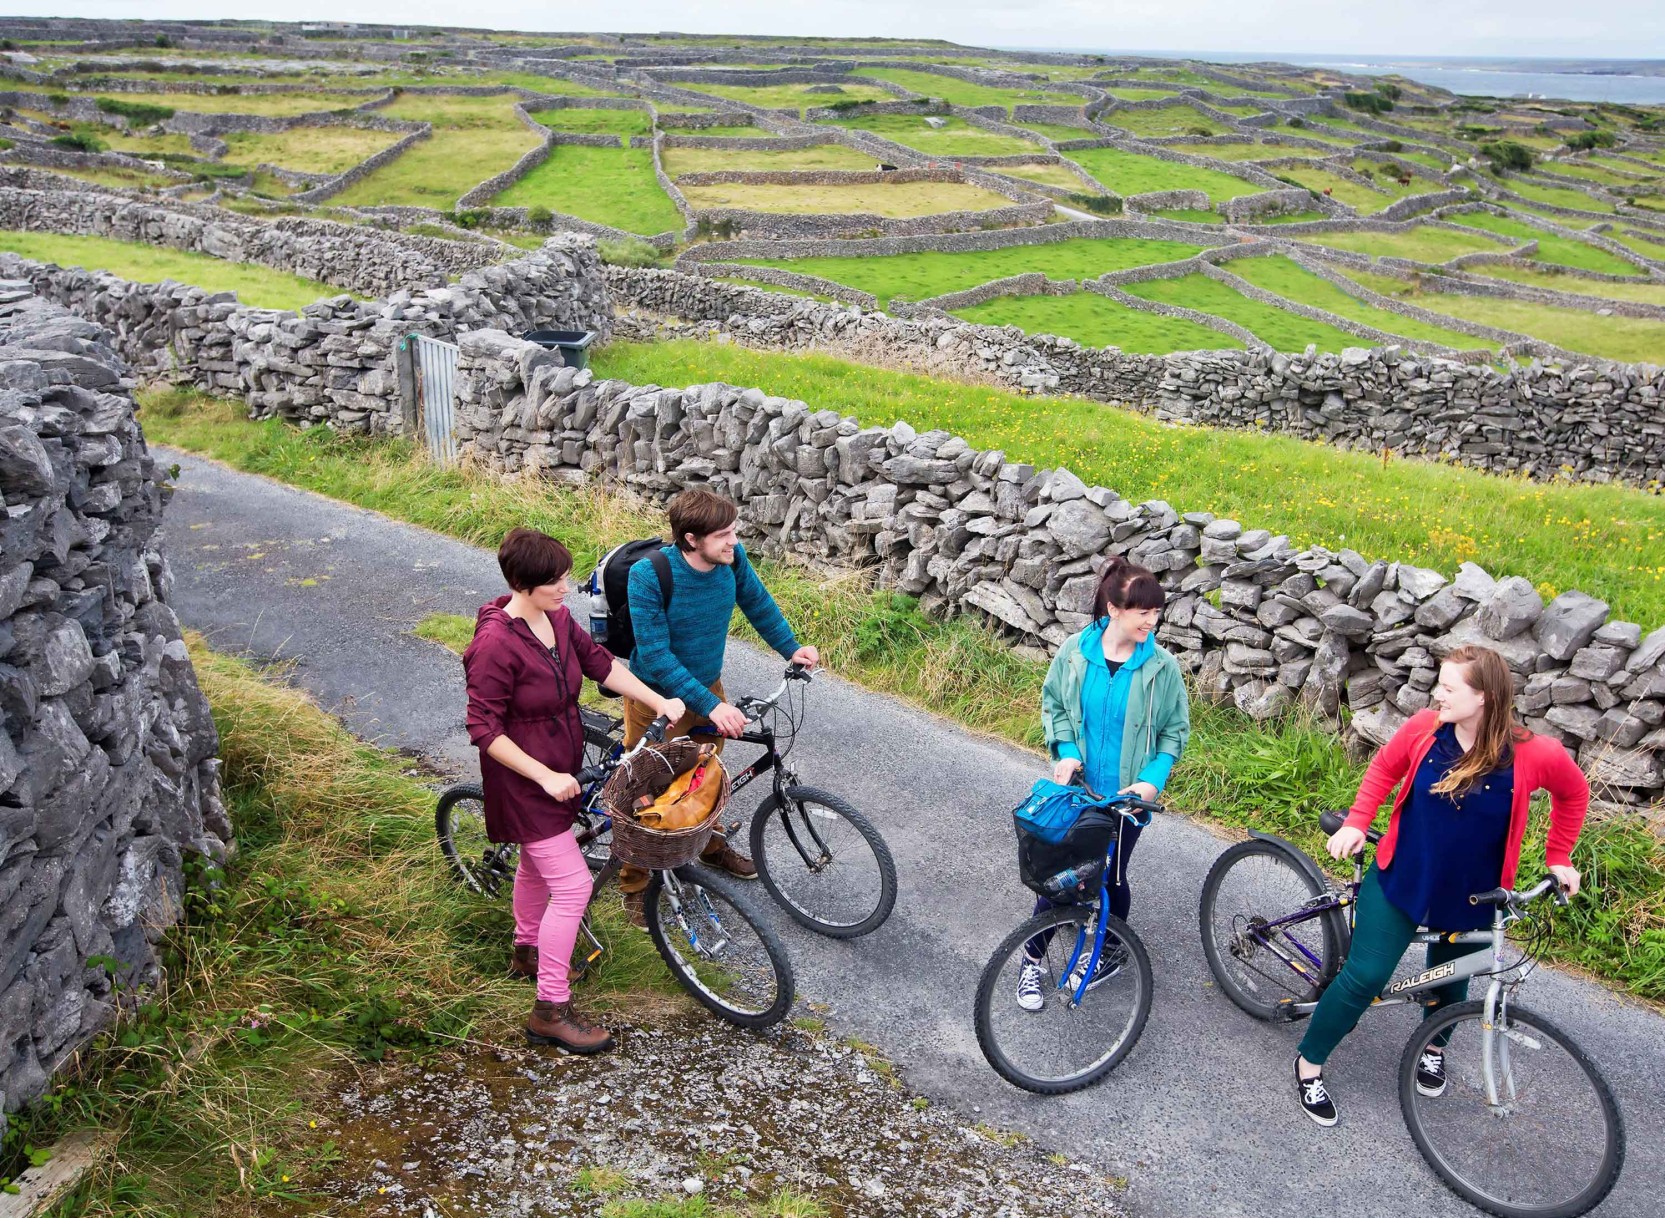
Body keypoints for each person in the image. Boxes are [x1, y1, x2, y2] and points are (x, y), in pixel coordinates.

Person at [1292, 643, 1589, 1127]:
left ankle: (1433, 1045)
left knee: (1451, 979)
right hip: (1403, 877)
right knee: (1365, 977)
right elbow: (1385, 767)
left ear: (1485, 698)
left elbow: (1574, 792)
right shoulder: (1425, 730)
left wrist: (1560, 858)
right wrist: (1357, 821)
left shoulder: (1534, 755)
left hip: (1473, 891)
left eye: (1449, 688)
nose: (1438, 695)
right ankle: (1309, 1063)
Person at [464, 527, 685, 1053]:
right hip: (524, 780)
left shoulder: (558, 620)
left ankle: (526, 951)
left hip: (562, 770)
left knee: (532, 867)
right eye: (556, 581)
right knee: (572, 887)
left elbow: (601, 665)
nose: (567, 588)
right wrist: (542, 776)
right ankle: (550, 1010)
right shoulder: (494, 645)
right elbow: (483, 729)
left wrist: (657, 700)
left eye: (566, 577)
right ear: (522, 583)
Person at [615, 488, 820, 926]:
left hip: (706, 686)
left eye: (734, 532)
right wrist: (711, 706)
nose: (734, 541)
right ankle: (634, 885)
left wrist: (791, 648)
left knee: (705, 776)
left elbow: (757, 603)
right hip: (655, 698)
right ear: (692, 539)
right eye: (724, 535)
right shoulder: (649, 575)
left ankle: (705, 846)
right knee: (644, 794)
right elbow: (655, 655)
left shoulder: (732, 559)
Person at [1020, 556, 1190, 1011]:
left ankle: (1108, 952)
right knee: (1063, 878)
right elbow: (1054, 704)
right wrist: (1066, 750)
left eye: (1157, 612)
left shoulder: (1162, 668)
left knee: (1113, 877)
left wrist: (1152, 782)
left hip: (1128, 801)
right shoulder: (1076, 652)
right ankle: (1032, 959)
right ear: (1114, 609)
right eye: (1144, 613)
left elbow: (1175, 732)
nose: (1153, 622)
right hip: (1078, 794)